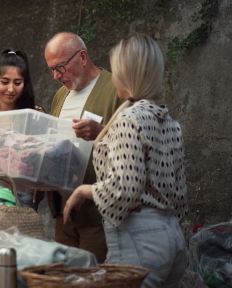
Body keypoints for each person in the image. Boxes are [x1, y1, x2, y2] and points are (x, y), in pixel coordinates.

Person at [63, 33, 188, 287]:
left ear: (128, 75)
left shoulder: (128, 119)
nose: (113, 78)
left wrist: (83, 190)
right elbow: (179, 192)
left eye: (117, 71)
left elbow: (125, 189)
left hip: (140, 237)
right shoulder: (170, 123)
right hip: (172, 235)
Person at [42, 32, 124, 263]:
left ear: (83, 57)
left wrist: (102, 132)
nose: (57, 76)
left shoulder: (116, 88)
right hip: (63, 213)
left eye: (60, 67)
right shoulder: (60, 95)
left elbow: (139, 143)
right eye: (51, 70)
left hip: (98, 214)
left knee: (92, 279)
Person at [0, 49, 44, 210]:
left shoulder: (36, 114)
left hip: (23, 191)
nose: (11, 89)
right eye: (5, 82)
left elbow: (44, 158)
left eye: (17, 83)